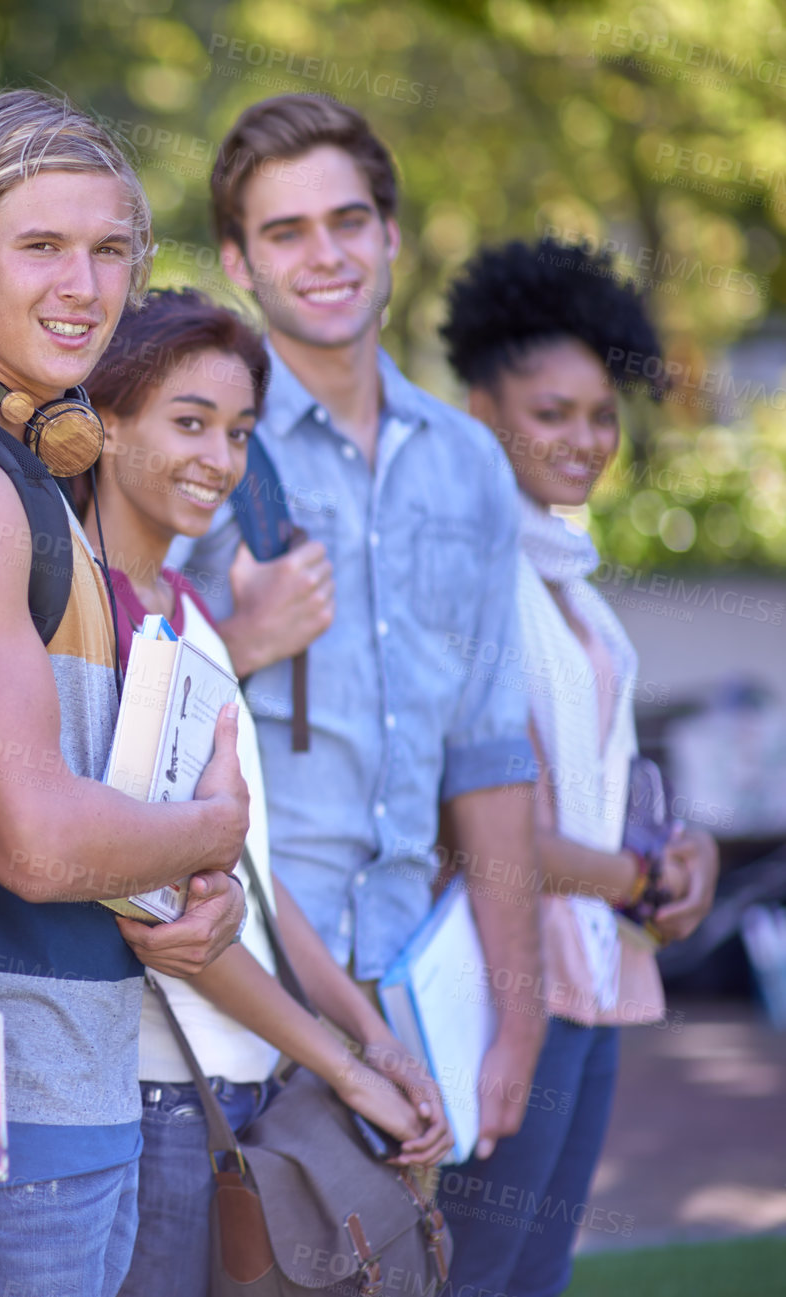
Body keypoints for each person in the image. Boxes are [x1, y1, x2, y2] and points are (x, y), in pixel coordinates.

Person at [0, 90, 250, 1297]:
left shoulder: (31, 469)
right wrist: (213, 829)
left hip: (74, 1085)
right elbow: (30, 842)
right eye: (40, 246)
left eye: (109, 250)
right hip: (6, 1116)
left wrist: (193, 884)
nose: (83, 284)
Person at [171, 93, 547, 1168]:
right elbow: (122, 710)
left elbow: (489, 750)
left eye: (345, 222)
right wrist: (240, 637)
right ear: (241, 263)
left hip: (416, 978)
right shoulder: (206, 437)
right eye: (284, 232)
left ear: (389, 235)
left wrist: (515, 1012)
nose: (323, 255)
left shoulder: (466, 460)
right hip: (237, 978)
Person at [77, 288, 452, 1297]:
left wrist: (371, 1033)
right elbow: (175, 926)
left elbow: (253, 876)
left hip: (244, 1084)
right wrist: (342, 1067)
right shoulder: (100, 623)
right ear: (104, 424)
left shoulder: (187, 607)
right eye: (187, 422)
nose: (220, 457)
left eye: (237, 431)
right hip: (167, 1095)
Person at [434, 237, 720, 1296]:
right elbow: (466, 822)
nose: (584, 439)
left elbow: (604, 795)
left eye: (599, 414)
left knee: (534, 1278)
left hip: (594, 974)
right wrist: (633, 878)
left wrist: (677, 853)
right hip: (508, 977)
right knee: (476, 1274)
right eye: (549, 413)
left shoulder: (572, 585)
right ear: (477, 411)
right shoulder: (469, 575)